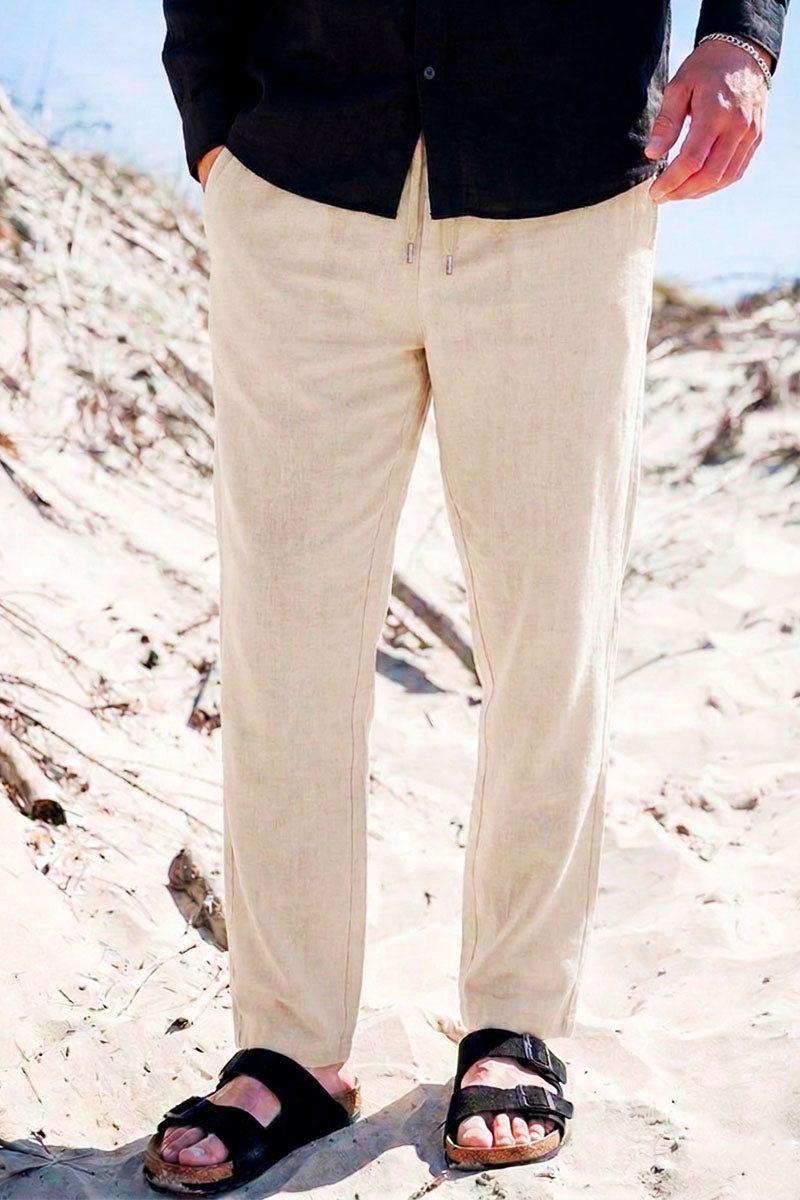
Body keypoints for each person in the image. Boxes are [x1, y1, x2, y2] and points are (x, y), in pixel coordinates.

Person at [144, 2, 787, 1194]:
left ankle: (514, 1023)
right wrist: (210, 123)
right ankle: (287, 1047)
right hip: (300, 171)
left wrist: (741, 36)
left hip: (563, 187)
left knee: (550, 638)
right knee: (283, 643)